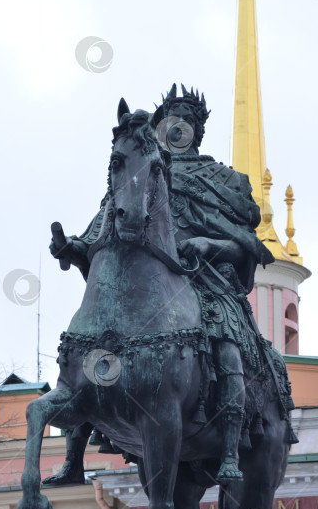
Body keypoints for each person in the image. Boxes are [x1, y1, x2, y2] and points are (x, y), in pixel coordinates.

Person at [44, 84, 295, 486]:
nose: (180, 127)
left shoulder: (224, 181)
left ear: (197, 129)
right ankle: (75, 456)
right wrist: (70, 247)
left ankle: (230, 446)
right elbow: (100, 236)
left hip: (205, 282)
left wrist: (210, 243)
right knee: (91, 346)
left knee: (228, 343)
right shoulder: (139, 171)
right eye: (172, 120)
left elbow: (246, 247)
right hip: (142, 288)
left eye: (188, 121)